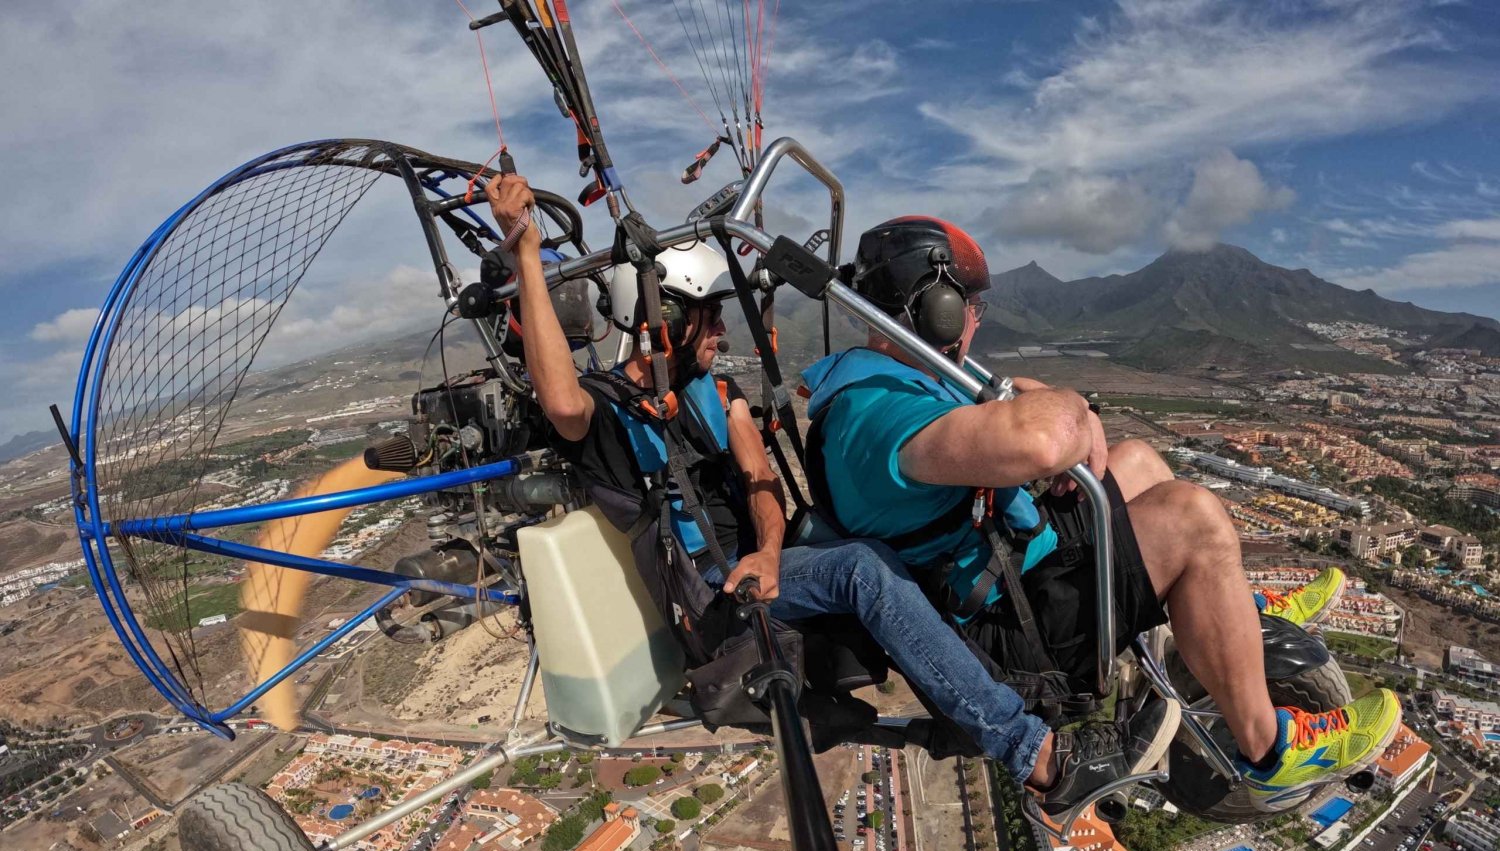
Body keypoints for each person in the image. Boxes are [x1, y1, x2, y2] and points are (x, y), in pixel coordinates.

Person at [485, 174, 1176, 815]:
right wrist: (526, 256)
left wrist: (774, 547)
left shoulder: (714, 393)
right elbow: (558, 395)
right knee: (862, 567)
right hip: (708, 594)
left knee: (871, 548)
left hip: (760, 567)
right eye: (710, 316)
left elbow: (760, 481)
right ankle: (1039, 758)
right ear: (663, 318)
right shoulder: (608, 418)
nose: (724, 331)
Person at [801, 215, 1402, 812]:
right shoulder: (879, 415)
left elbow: (1017, 392)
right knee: (1193, 517)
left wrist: (1073, 417)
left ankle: (1231, 614)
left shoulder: (904, 377)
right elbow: (1040, 439)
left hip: (1008, 567)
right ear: (940, 310)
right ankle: (1269, 750)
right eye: (972, 304)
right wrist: (1073, 414)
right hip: (1008, 628)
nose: (978, 318)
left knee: (1136, 460)